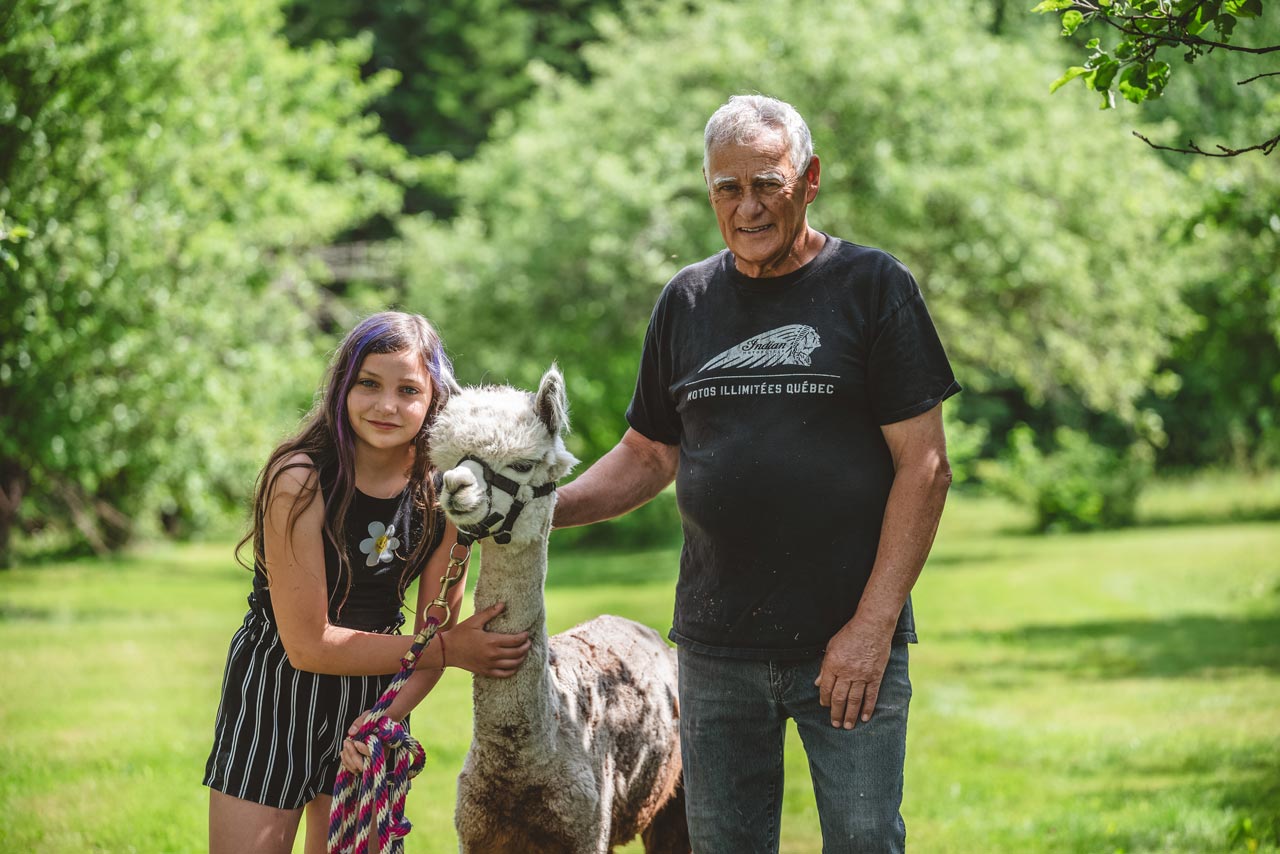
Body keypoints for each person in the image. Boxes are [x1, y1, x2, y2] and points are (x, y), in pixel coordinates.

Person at [552, 95, 960, 853]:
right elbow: (648, 455)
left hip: (848, 647)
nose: (747, 207)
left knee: (865, 839)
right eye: (726, 188)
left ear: (808, 180)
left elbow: (926, 468)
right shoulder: (688, 300)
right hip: (715, 652)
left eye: (766, 183)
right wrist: (537, 510)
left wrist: (871, 629)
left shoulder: (872, 287)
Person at [203, 311, 532, 854]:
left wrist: (383, 719)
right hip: (274, 693)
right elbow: (308, 645)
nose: (387, 405)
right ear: (342, 387)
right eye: (369, 384)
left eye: (408, 390)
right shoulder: (301, 479)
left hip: (378, 689)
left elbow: (430, 637)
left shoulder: (446, 492)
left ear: (433, 400)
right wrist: (452, 650)